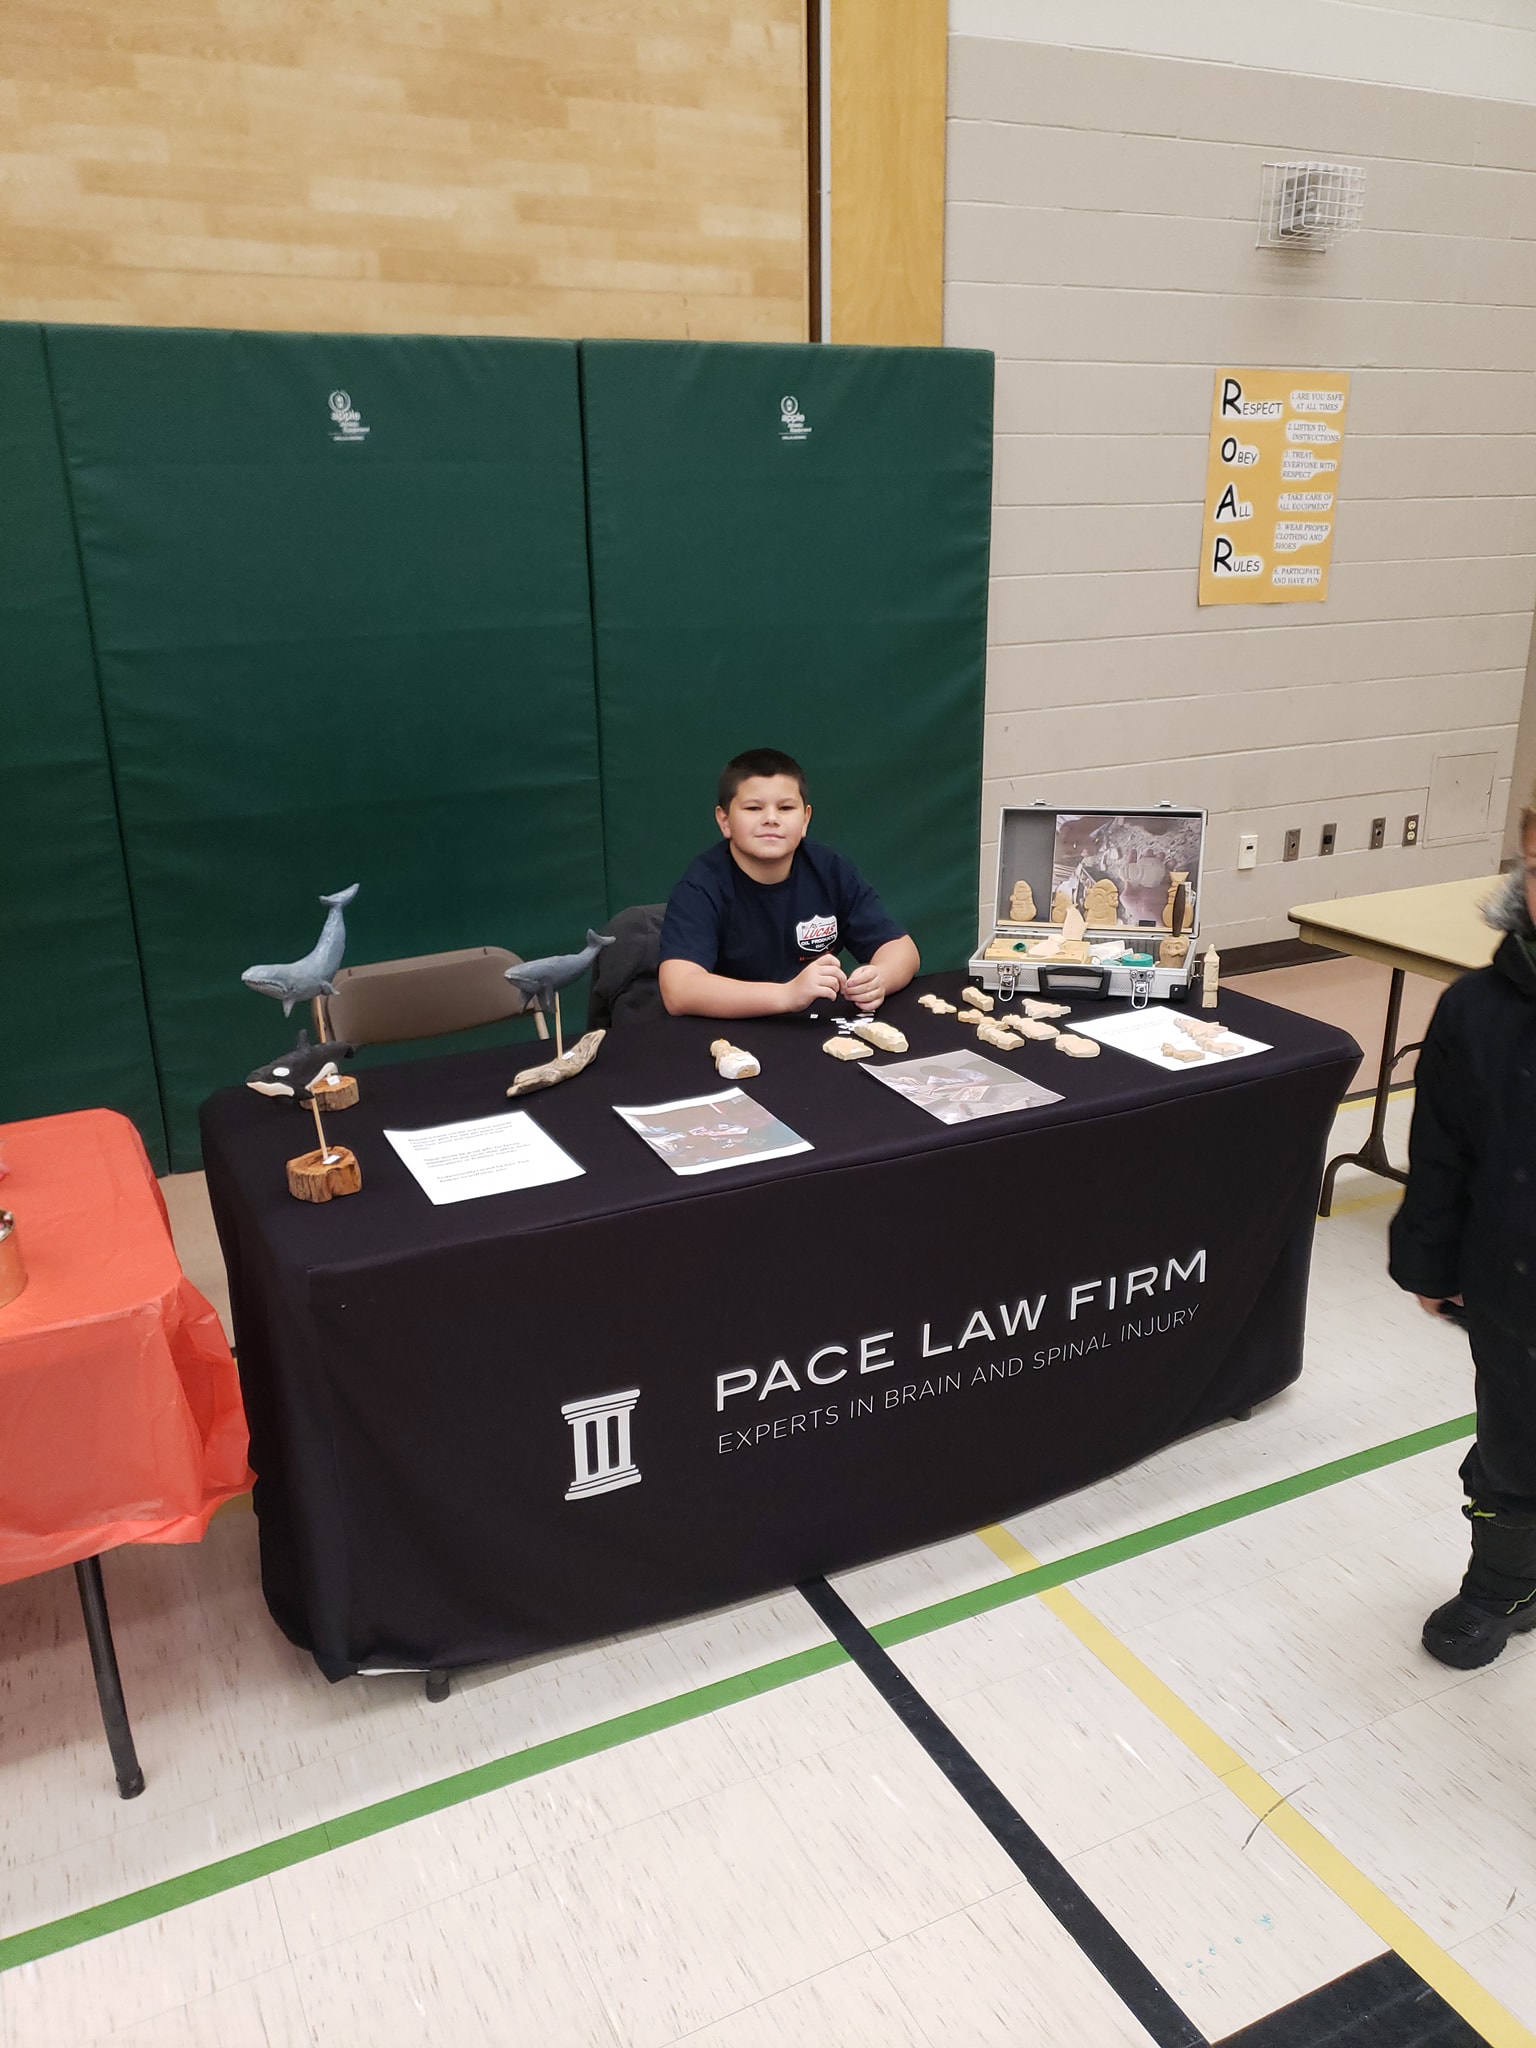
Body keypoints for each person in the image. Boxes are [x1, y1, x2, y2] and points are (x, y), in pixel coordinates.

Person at [1389, 809, 1536, 1668]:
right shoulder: (1475, 1010)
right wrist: (1430, 1261)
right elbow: (1441, 1150)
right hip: (1513, 1289)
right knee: (1514, 1445)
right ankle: (1503, 1585)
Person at [658, 748, 919, 1020]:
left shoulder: (830, 870)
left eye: (785, 808)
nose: (771, 819)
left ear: (805, 819)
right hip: (728, 1034)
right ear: (725, 821)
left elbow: (903, 949)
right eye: (753, 808)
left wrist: (880, 978)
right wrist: (787, 994)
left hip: (816, 1028)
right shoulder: (700, 887)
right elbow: (679, 990)